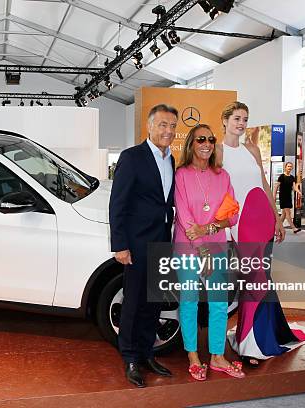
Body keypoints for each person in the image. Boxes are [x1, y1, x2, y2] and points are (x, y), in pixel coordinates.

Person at [217, 101, 305, 367]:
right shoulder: (216, 151)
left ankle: (256, 339)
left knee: (260, 279)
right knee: (253, 279)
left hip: (262, 219)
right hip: (238, 222)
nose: (241, 123)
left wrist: (278, 219)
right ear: (225, 120)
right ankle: (252, 341)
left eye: (245, 119)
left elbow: (263, 183)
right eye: (236, 118)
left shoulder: (252, 149)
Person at [109, 104, 177, 388]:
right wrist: (120, 245)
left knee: (153, 302)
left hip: (161, 240)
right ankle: (131, 358)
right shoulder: (132, 157)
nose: (168, 131)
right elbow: (118, 203)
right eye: (162, 125)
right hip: (136, 245)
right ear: (149, 127)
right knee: (133, 303)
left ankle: (147, 353)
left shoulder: (171, 159)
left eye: (172, 126)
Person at [174, 124, 244, 381]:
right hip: (189, 249)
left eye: (210, 139)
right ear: (191, 143)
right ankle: (193, 355)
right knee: (190, 301)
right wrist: (201, 246)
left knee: (218, 303)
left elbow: (233, 215)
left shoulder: (222, 176)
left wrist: (209, 228)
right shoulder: (181, 174)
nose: (206, 144)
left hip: (216, 247)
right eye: (200, 139)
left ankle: (217, 356)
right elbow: (183, 216)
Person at [273, 162, 301, 233]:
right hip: (283, 197)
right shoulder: (282, 176)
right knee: (288, 213)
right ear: (285, 167)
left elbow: (294, 187)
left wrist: (298, 192)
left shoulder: (292, 177)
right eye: (288, 166)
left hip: (289, 197)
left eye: (291, 166)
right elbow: (276, 186)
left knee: (283, 215)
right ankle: (294, 228)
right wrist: (274, 196)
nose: (289, 168)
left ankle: (276, 228)